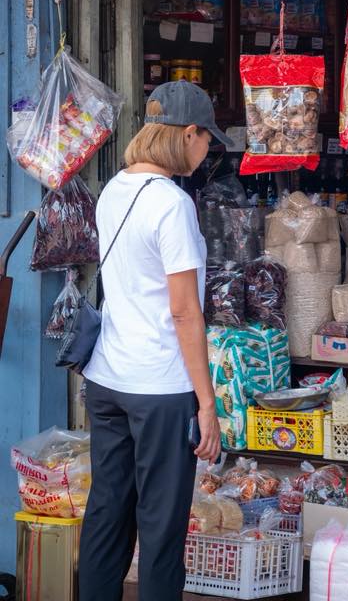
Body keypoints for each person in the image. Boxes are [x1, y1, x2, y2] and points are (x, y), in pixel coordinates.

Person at [79, 81, 232, 601]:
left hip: (108, 380)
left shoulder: (114, 189)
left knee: (107, 516)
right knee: (162, 528)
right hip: (160, 389)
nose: (207, 149)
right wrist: (207, 404)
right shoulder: (171, 204)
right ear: (188, 134)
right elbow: (185, 312)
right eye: (207, 139)